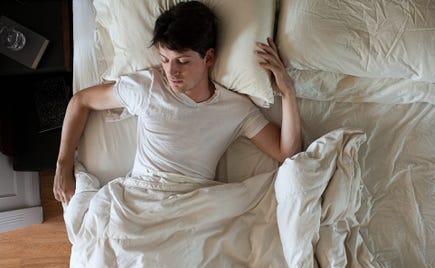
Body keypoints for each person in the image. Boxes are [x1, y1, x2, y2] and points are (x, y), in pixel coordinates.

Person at [53, 1, 301, 204]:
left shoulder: (235, 109)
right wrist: (63, 163)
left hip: (192, 203)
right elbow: (81, 101)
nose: (172, 72)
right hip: (141, 198)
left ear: (209, 57)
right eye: (164, 59)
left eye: (182, 61)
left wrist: (288, 92)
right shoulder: (148, 86)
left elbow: (287, 153)